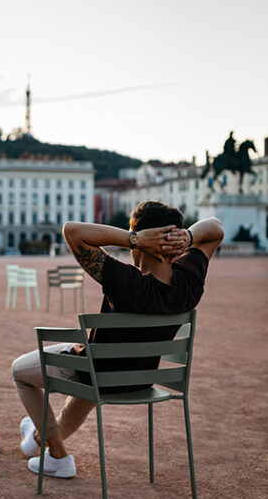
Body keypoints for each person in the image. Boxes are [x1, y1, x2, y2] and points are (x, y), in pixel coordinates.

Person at [12, 201, 224, 478]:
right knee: (85, 387)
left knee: (20, 371)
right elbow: (216, 228)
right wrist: (189, 237)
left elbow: (72, 231)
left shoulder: (125, 281)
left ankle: (59, 457)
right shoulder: (189, 282)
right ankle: (39, 438)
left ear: (142, 243)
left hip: (97, 374)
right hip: (138, 378)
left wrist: (132, 239)